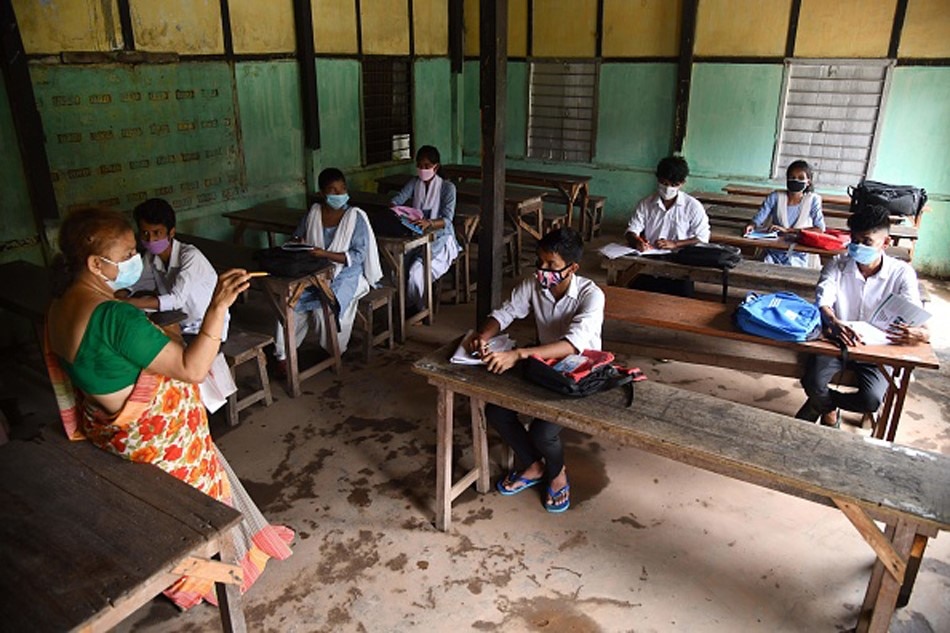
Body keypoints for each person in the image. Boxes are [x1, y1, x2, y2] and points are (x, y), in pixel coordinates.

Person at [44, 208, 293, 609]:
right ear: (94, 263)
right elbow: (192, 369)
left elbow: (112, 365)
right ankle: (212, 576)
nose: (134, 260)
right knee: (208, 505)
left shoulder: (60, 306)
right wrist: (218, 307)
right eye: (126, 253)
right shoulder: (113, 317)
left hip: (112, 431)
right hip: (156, 445)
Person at [466, 227, 604, 513]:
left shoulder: (592, 295)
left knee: (544, 431)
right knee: (496, 411)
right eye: (540, 262)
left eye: (551, 265)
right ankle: (533, 465)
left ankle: (557, 474)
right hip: (544, 365)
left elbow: (573, 344)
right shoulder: (534, 284)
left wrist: (517, 355)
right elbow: (505, 312)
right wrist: (484, 336)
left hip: (581, 373)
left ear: (572, 268)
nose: (542, 270)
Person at [795, 205, 928, 428]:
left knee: (871, 400)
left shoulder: (901, 273)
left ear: (885, 243)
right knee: (812, 382)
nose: (857, 247)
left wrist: (918, 334)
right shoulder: (838, 264)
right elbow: (824, 296)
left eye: (866, 242)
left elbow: (918, 321)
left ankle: (821, 406)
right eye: (854, 240)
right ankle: (826, 407)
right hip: (838, 341)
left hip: (876, 349)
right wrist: (833, 321)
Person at [273, 168, 383, 374]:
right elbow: (297, 237)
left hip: (348, 274)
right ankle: (284, 354)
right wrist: (299, 242)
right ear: (323, 193)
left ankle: (334, 350)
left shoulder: (355, 217)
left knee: (325, 307)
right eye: (333, 190)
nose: (339, 194)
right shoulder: (313, 213)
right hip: (315, 271)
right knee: (290, 304)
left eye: (342, 189)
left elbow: (357, 256)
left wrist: (324, 254)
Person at [122, 198, 228, 341]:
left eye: (157, 232)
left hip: (206, 327)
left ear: (171, 232)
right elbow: (137, 283)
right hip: (179, 323)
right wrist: (121, 294)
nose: (150, 239)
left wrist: (131, 303)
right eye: (144, 233)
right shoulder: (151, 256)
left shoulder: (190, 256)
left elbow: (176, 300)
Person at [624, 155, 710, 296]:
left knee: (682, 303)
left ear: (682, 183)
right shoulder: (646, 204)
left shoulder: (693, 206)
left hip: (680, 262)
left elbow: (703, 237)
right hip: (650, 259)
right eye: (664, 183)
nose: (667, 188)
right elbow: (631, 230)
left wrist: (675, 244)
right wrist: (637, 241)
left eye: (673, 185)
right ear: (658, 179)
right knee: (635, 295)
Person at [389, 145, 460, 312]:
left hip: (440, 238)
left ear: (436, 166)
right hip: (416, 234)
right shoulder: (415, 183)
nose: (422, 169)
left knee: (416, 271)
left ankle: (419, 308)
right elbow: (396, 200)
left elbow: (447, 220)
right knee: (398, 267)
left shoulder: (447, 188)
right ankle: (406, 304)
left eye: (427, 166)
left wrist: (430, 223)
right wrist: (399, 211)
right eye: (419, 165)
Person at [744, 160, 825, 267]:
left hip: (799, 252)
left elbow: (820, 229)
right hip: (774, 249)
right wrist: (752, 225)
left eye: (801, 178)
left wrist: (788, 230)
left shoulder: (813, 200)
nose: (795, 180)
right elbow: (760, 217)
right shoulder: (776, 196)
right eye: (791, 177)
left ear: (808, 182)